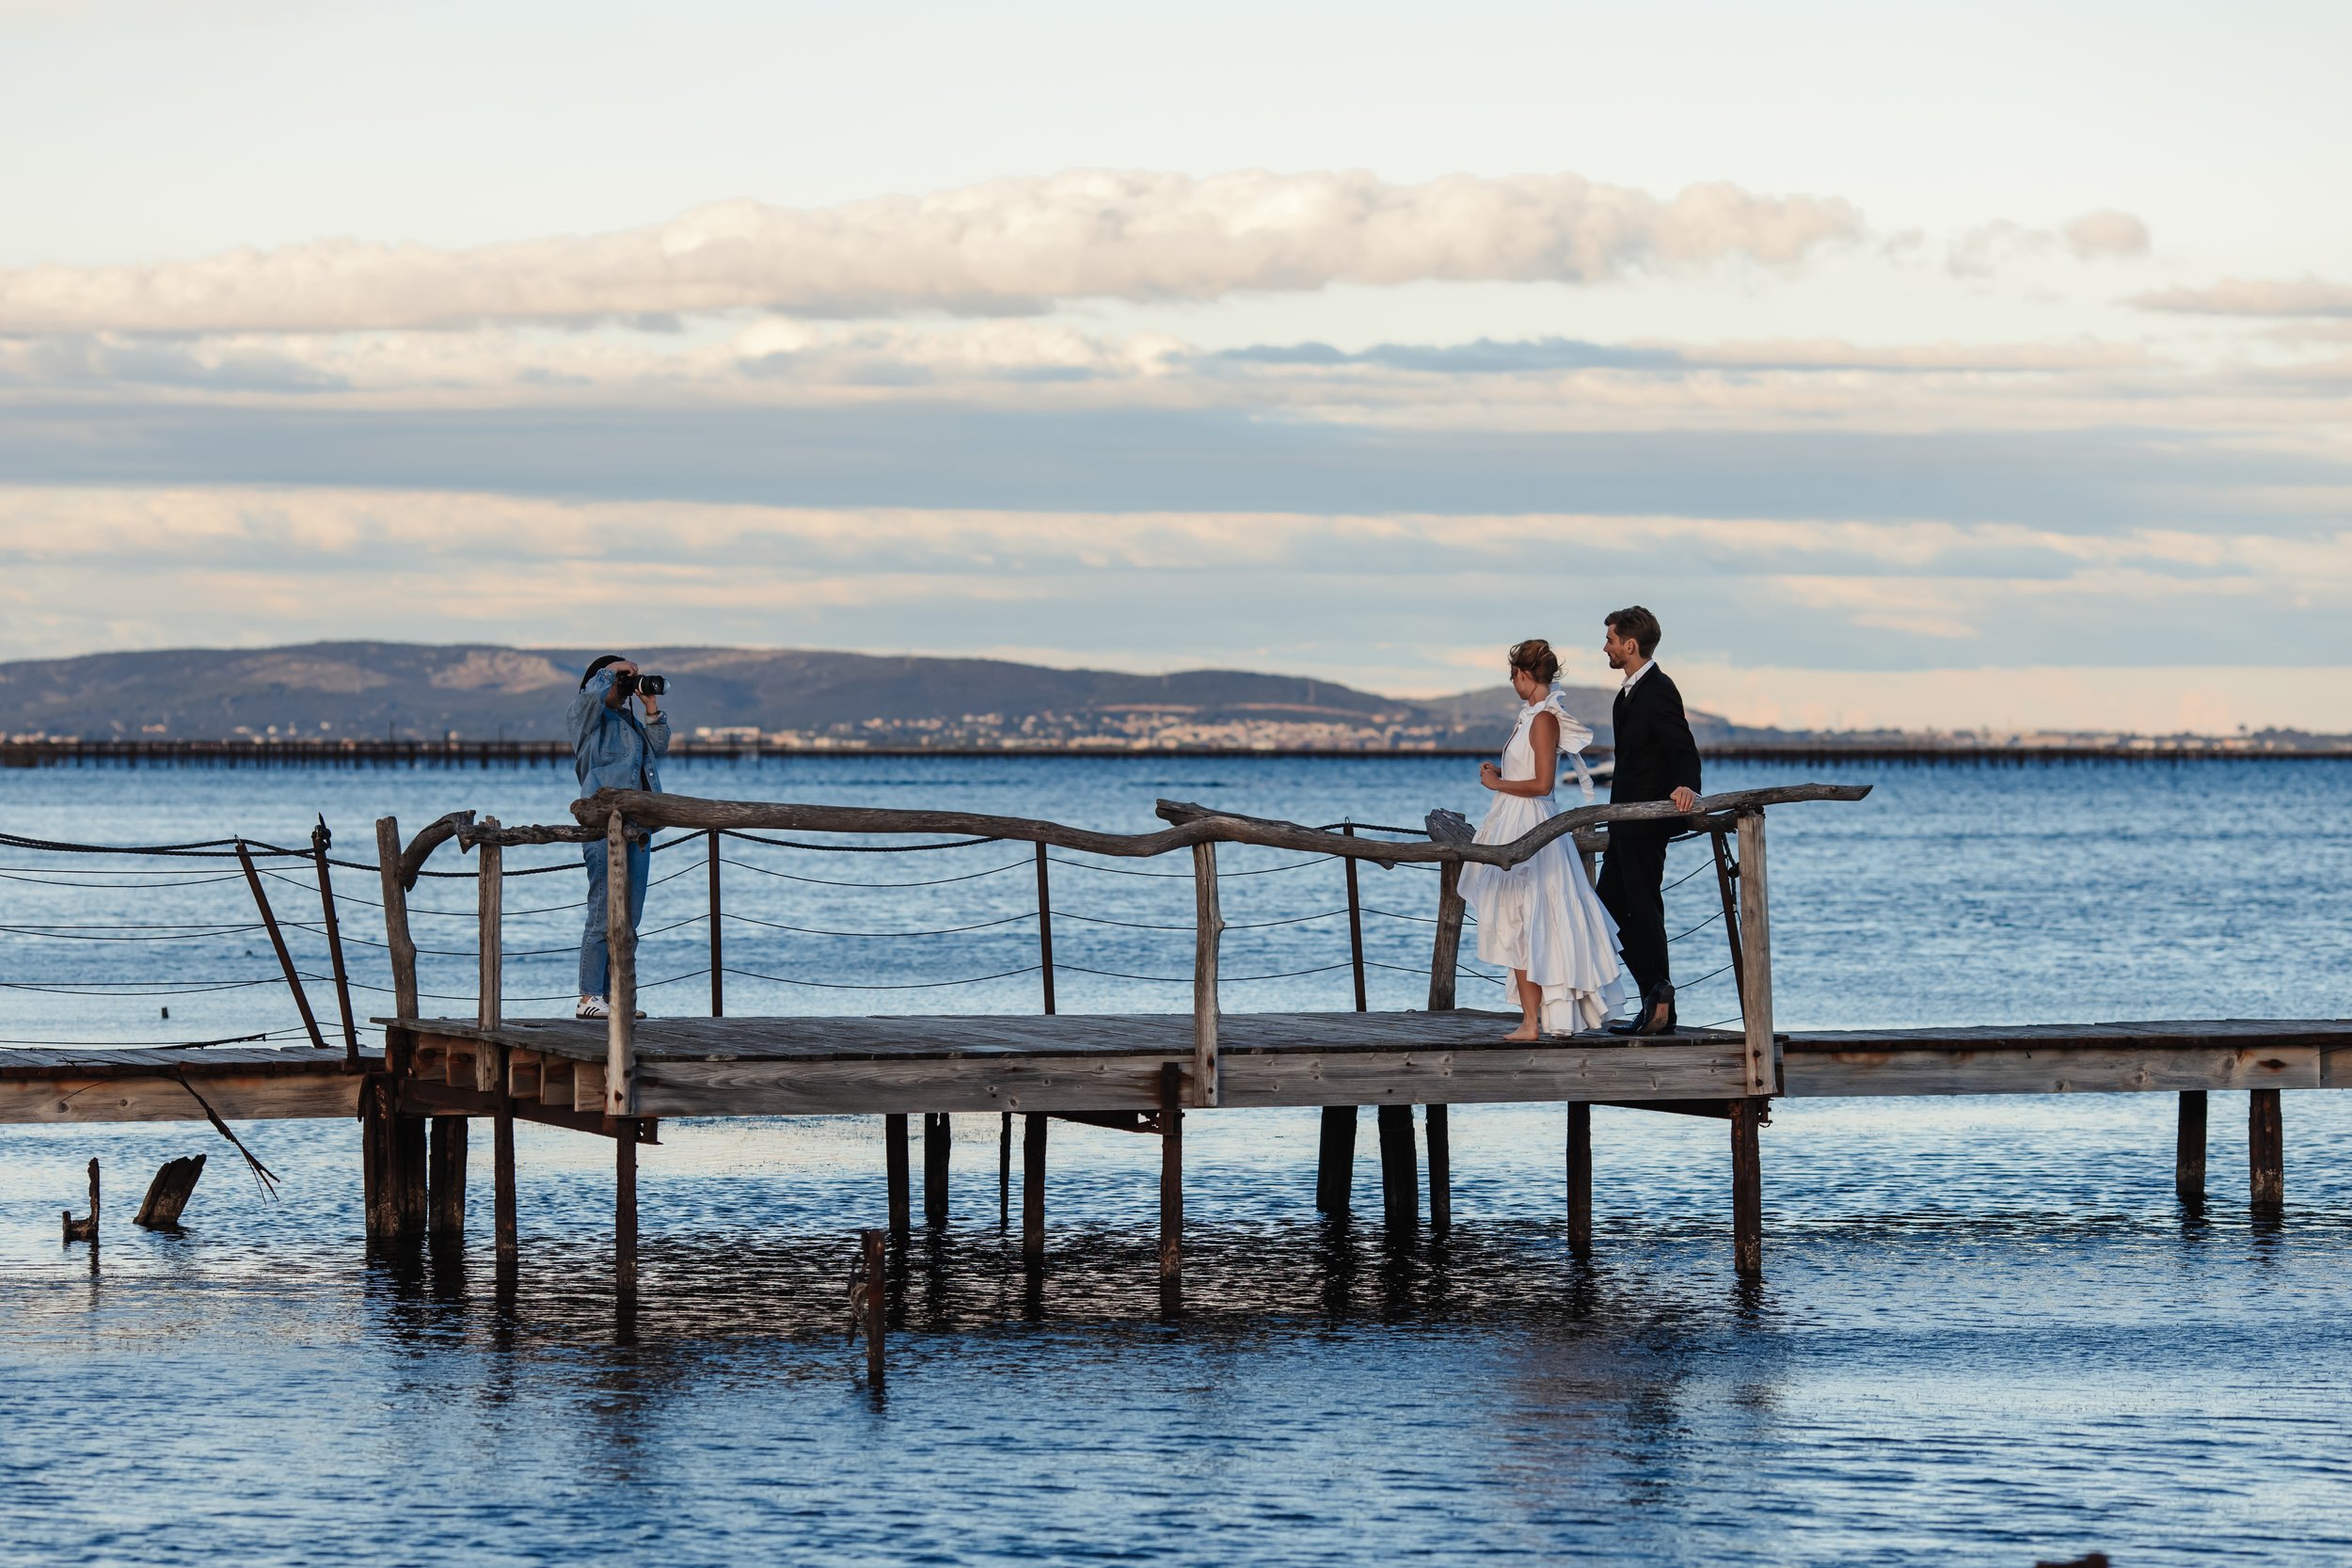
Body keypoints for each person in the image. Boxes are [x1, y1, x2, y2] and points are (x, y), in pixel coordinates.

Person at [1458, 639, 1627, 1038]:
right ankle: (1532, 1019)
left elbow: (1542, 783)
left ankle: (1535, 1021)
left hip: (1532, 826)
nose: (1512, 684)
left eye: (1513, 676)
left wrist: (1497, 782)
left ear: (1522, 675)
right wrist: (1499, 781)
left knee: (1531, 917)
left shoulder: (1544, 719)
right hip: (1513, 819)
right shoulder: (1531, 715)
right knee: (1516, 918)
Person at [1596, 606, 1701, 1036]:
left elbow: (1683, 745)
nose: (1605, 646)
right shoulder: (1625, 694)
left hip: (1646, 822)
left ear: (1630, 645)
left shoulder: (1658, 688)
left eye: (1610, 639)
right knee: (1605, 909)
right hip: (1623, 821)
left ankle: (1659, 1002)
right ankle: (1658, 996)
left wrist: (1687, 786)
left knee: (1642, 909)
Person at [569, 654, 669, 1021]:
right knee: (603, 911)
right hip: (603, 827)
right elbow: (588, 698)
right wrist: (610, 673)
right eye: (621, 678)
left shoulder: (630, 721)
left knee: (630, 918)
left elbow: (660, 747)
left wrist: (651, 706)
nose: (627, 682)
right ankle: (588, 998)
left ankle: (619, 996)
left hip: (639, 828)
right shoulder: (587, 720)